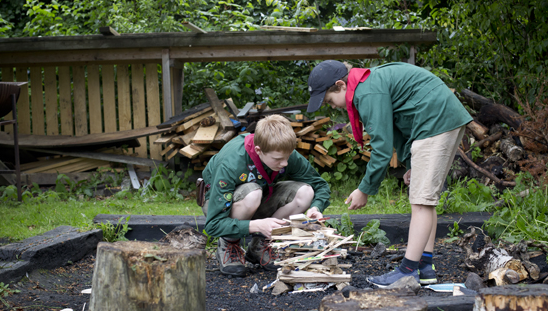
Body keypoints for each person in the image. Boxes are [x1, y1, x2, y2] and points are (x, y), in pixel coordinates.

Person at [306, 60, 472, 287]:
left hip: (435, 122)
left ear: (340, 85)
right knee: (425, 199)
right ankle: (424, 267)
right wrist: (410, 162)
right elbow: (396, 127)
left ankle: (407, 270)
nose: (332, 106)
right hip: (437, 120)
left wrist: (364, 189)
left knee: (421, 202)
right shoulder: (366, 85)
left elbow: (382, 148)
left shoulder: (367, 92)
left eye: (329, 100)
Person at [201, 114, 331, 277]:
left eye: (287, 157)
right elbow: (213, 224)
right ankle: (229, 243)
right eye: (278, 159)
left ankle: (260, 245)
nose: (284, 163)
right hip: (220, 205)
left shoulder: (281, 151)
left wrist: (316, 206)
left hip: (260, 197)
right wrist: (256, 225)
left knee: (305, 192)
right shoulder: (230, 162)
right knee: (252, 193)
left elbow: (319, 185)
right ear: (258, 150)